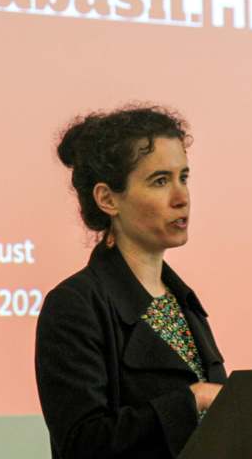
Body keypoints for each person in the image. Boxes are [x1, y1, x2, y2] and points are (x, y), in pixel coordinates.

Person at [35, 105, 227, 459]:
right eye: (159, 181)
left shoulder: (181, 301)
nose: (181, 197)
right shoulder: (75, 305)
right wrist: (192, 400)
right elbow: (83, 444)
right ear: (108, 199)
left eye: (183, 177)